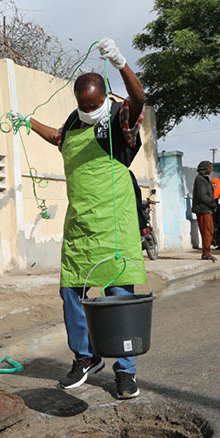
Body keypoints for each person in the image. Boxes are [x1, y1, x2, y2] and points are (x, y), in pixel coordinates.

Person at [27, 38, 146, 400]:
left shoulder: (117, 120)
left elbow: (138, 100)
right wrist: (28, 121)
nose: (89, 110)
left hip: (115, 223)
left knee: (118, 296)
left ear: (105, 97)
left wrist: (122, 63)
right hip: (80, 225)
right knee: (70, 292)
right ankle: (85, 357)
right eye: (83, 105)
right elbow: (58, 138)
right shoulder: (75, 122)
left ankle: (125, 372)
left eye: (94, 105)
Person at [192, 161, 217, 261]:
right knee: (207, 231)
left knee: (209, 231)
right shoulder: (200, 179)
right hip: (203, 209)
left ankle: (207, 252)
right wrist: (213, 204)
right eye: (210, 168)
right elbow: (203, 196)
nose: (211, 170)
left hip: (207, 209)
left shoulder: (204, 178)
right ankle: (206, 253)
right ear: (205, 168)